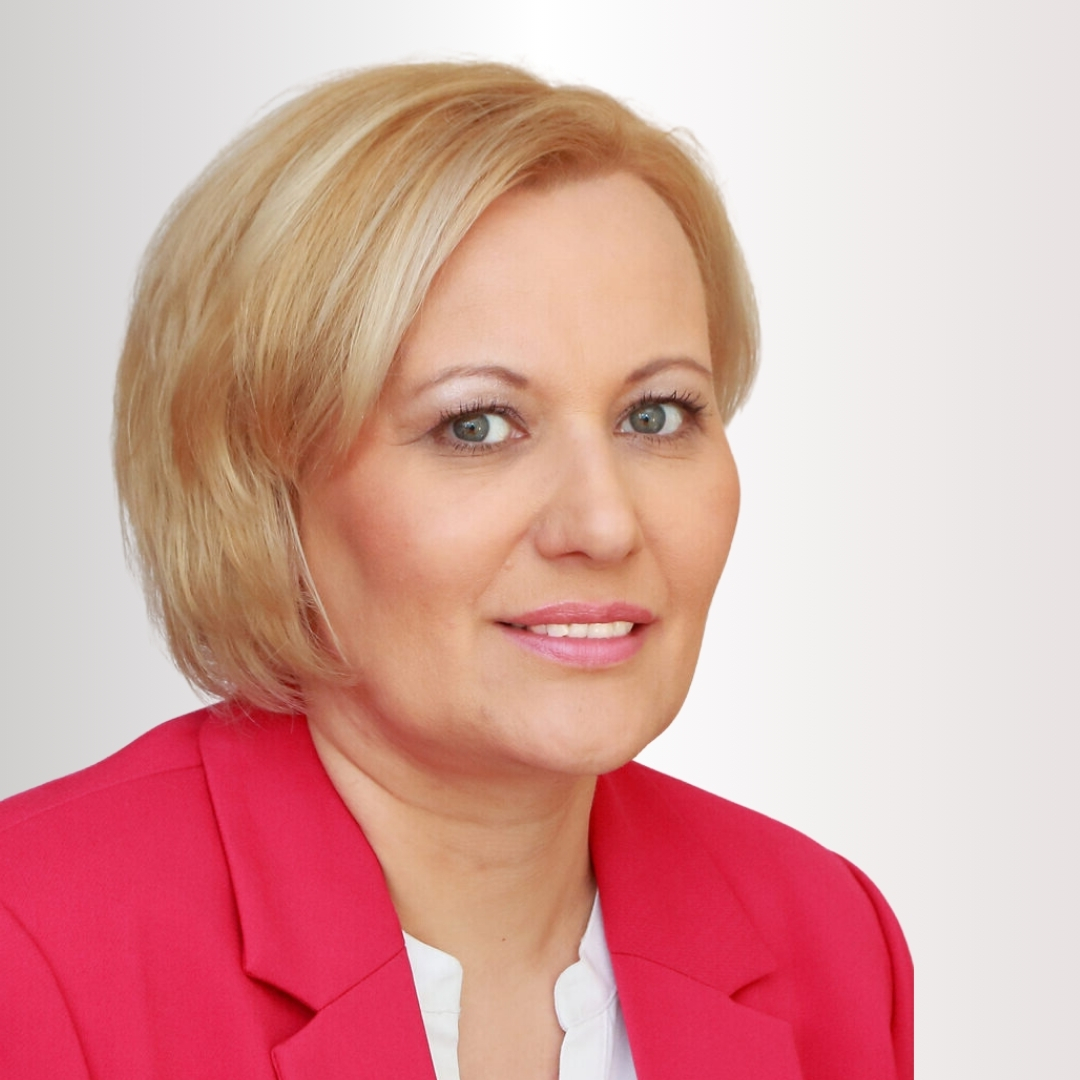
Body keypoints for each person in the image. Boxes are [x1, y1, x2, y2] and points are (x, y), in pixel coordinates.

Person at [0, 62, 912, 1079]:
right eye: (477, 426)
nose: (604, 522)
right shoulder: (29, 948)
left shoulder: (826, 937)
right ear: (263, 484)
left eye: (655, 415)